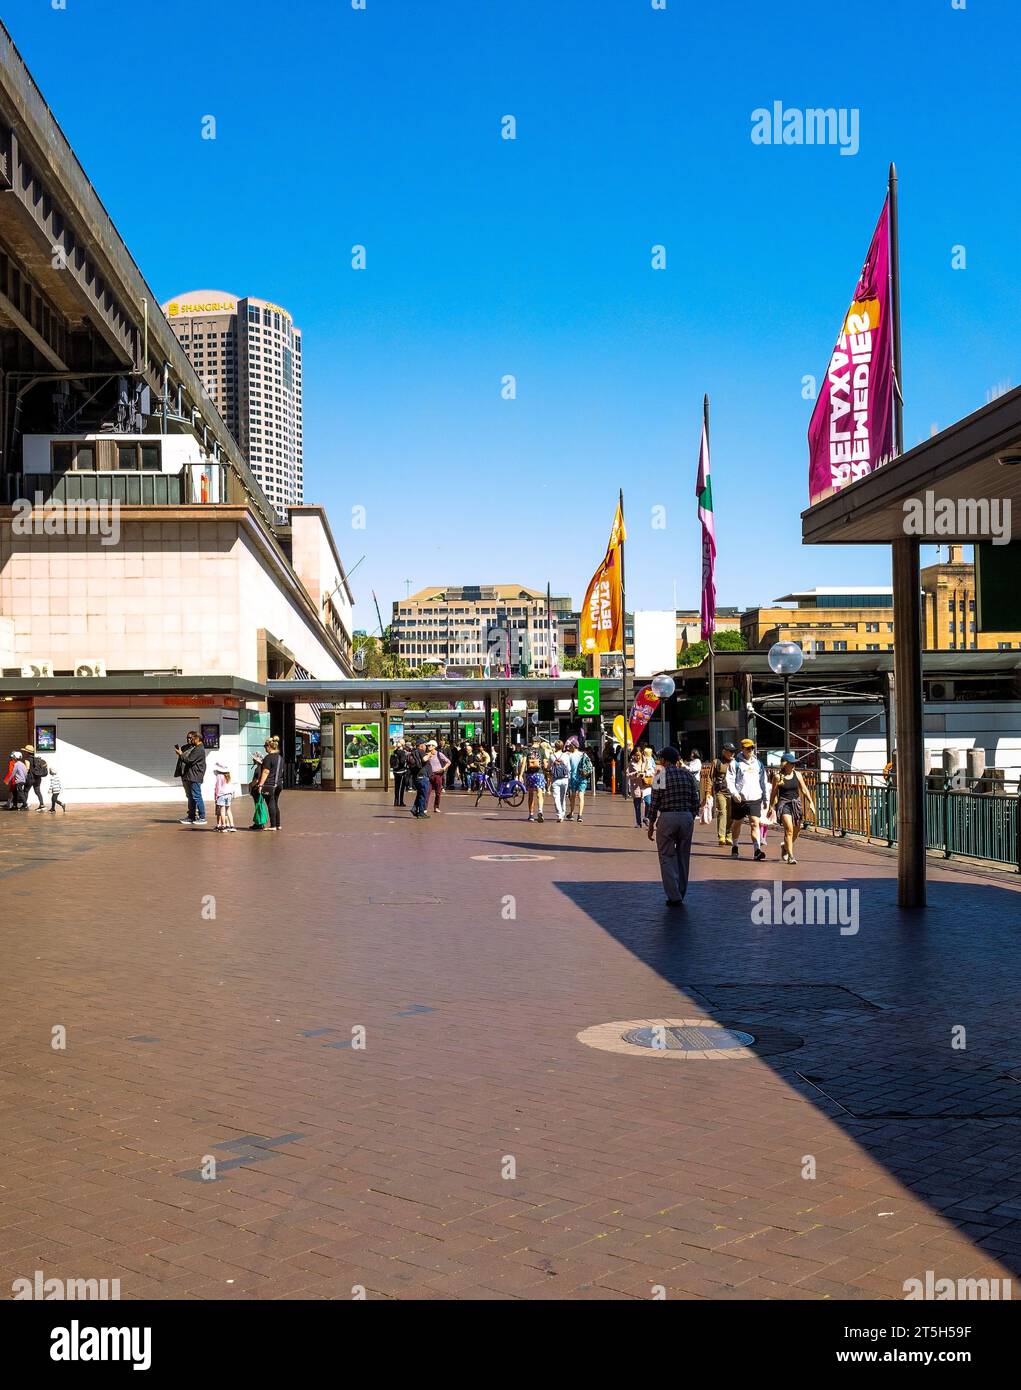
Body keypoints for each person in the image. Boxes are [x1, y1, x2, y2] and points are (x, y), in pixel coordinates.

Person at [647, 746, 701, 907]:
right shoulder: (688, 775)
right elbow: (695, 800)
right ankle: (682, 891)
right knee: (683, 856)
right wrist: (690, 816)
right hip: (686, 817)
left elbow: (654, 803)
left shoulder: (660, 775)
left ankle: (674, 895)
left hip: (667, 817)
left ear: (664, 760)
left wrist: (651, 824)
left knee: (666, 856)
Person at [726, 737, 770, 861]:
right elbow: (729, 779)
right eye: (748, 748)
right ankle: (735, 845)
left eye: (752, 748)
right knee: (737, 823)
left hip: (755, 798)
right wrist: (734, 793)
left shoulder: (758, 763)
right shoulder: (735, 763)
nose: (750, 750)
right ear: (742, 749)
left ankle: (757, 850)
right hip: (740, 798)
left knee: (755, 823)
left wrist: (765, 798)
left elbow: (763, 781)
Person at [769, 752, 816, 866]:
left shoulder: (797, 774)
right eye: (791, 763)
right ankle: (791, 856)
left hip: (796, 804)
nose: (794, 765)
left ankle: (784, 847)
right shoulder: (778, 776)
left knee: (797, 830)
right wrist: (771, 807)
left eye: (794, 763)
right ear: (785, 764)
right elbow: (774, 793)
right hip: (784, 804)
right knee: (789, 830)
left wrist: (811, 802)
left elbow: (804, 789)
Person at [175, 731, 208, 826]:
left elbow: (189, 760)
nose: (188, 739)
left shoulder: (199, 749)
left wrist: (180, 754)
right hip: (189, 776)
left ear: (197, 738)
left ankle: (202, 817)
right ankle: (191, 816)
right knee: (190, 797)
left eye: (190, 738)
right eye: (187, 738)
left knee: (197, 796)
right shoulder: (193, 747)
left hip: (195, 776)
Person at [707, 742, 736, 847]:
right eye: (730, 751)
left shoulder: (735, 763)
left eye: (734, 751)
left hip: (732, 792)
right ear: (724, 751)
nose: (732, 753)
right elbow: (710, 777)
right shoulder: (717, 762)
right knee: (722, 812)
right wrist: (708, 793)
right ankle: (722, 836)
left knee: (731, 814)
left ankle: (729, 835)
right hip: (720, 791)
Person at [255, 736, 284, 831]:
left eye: (265, 746)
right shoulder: (280, 758)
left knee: (270, 803)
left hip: (269, 784)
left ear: (269, 747)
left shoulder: (268, 758)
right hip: (278, 784)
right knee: (275, 803)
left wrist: (260, 785)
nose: (265, 748)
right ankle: (278, 824)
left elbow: (265, 772)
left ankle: (273, 825)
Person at [519, 737, 548, 823]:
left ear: (532, 742)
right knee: (539, 793)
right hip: (539, 773)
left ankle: (531, 815)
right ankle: (540, 811)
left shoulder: (526, 750)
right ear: (539, 742)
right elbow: (545, 764)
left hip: (529, 774)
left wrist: (520, 775)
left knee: (531, 795)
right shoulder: (542, 751)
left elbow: (523, 763)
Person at [566, 739, 594, 824]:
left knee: (573, 796)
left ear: (573, 746)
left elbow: (568, 768)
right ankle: (580, 815)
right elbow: (590, 765)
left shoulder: (570, 756)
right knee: (581, 796)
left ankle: (572, 813)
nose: (569, 747)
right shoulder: (583, 754)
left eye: (570, 746)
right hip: (583, 778)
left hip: (574, 778)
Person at [548, 740, 571, 822]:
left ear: (555, 747)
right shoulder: (566, 756)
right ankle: (563, 813)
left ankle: (559, 814)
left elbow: (549, 768)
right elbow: (568, 768)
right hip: (565, 779)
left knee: (556, 798)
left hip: (555, 779)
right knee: (563, 797)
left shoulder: (552, 756)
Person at [425, 740, 450, 812]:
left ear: (434, 746)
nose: (429, 747)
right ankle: (425, 807)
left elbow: (448, 762)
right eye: (428, 745)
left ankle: (436, 807)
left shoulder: (439, 754)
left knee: (438, 792)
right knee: (427, 792)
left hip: (438, 775)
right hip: (429, 775)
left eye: (430, 745)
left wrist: (443, 769)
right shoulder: (427, 754)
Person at [408, 740, 430, 818]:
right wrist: (430, 754)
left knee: (420, 794)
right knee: (423, 795)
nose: (426, 746)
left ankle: (414, 809)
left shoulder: (413, 752)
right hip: (422, 777)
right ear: (421, 745)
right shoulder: (421, 751)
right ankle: (421, 813)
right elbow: (424, 759)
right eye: (425, 745)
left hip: (416, 777)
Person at [213, 760, 237, 833]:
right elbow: (232, 787)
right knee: (228, 810)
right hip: (229, 795)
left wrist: (216, 796)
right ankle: (232, 825)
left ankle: (223, 826)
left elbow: (218, 787)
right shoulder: (228, 776)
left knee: (222, 811)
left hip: (221, 795)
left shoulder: (219, 776)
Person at [625, 748, 646, 828]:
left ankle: (646, 818)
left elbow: (651, 770)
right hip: (635, 786)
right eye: (636, 755)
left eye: (639, 755)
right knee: (637, 806)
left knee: (647, 803)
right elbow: (627, 774)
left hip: (645, 786)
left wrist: (644, 773)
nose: (637, 757)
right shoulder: (631, 763)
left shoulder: (645, 762)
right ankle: (638, 822)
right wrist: (635, 774)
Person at [23, 744, 47, 810]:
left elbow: (27, 768)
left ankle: (24, 805)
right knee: (38, 791)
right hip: (38, 778)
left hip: (30, 778)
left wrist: (24, 776)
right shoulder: (36, 759)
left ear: (27, 752)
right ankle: (42, 805)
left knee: (25, 791)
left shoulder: (27, 759)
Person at [389, 739, 410, 807]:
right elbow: (402, 761)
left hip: (395, 771)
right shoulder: (402, 752)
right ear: (403, 745)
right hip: (401, 771)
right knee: (401, 787)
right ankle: (400, 802)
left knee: (397, 786)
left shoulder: (394, 752)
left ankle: (395, 801)